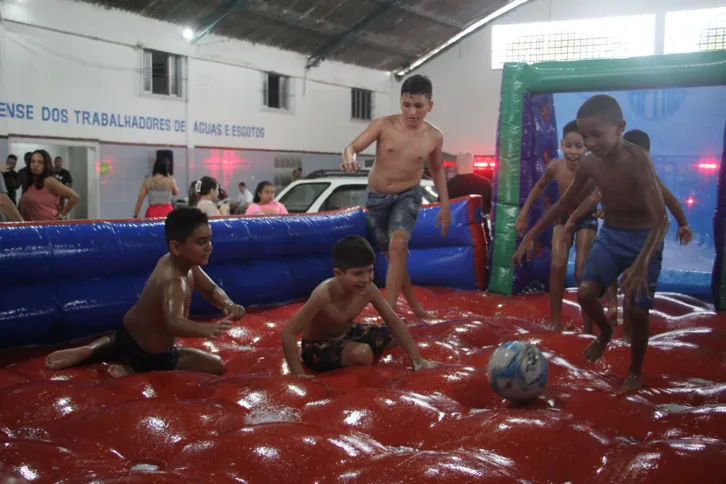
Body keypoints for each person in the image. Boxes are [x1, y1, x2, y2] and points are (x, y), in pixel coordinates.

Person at [513, 94, 670, 391]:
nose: (591, 142)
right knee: (585, 293)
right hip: (612, 235)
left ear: (620, 128)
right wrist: (533, 232)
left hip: (643, 238)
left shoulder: (638, 160)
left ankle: (635, 370)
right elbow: (564, 203)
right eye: (586, 136)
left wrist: (641, 263)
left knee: (637, 311)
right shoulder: (590, 164)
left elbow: (662, 219)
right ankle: (606, 332)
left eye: (596, 135)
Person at [45, 207, 245, 375]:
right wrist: (205, 329)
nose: (209, 247)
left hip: (124, 334)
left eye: (210, 240)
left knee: (123, 341)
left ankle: (95, 349)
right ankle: (133, 368)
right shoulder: (175, 279)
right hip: (149, 354)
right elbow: (173, 322)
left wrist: (227, 303)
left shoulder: (178, 262)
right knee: (216, 365)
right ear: (176, 246)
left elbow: (211, 290)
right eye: (201, 242)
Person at [340, 74, 451, 319]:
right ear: (400, 101)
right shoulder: (383, 125)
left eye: (419, 106)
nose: (412, 112)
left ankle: (388, 312)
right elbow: (352, 148)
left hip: (408, 194)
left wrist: (445, 204)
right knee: (395, 254)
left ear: (430, 106)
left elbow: (436, 169)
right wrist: (350, 158)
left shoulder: (434, 136)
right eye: (406, 105)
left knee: (398, 243)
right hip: (378, 197)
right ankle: (413, 304)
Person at [564, 128, 692, 340]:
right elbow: (594, 197)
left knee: (634, 293)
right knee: (616, 275)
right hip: (619, 237)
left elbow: (670, 201)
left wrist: (683, 224)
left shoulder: (649, 179)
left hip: (644, 241)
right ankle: (619, 320)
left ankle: (629, 333)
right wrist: (574, 218)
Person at [281, 235, 436, 378]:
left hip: (348, 332)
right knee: (363, 353)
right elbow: (288, 332)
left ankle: (351, 349)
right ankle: (353, 351)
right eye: (357, 273)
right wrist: (298, 374)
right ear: (339, 273)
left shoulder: (369, 288)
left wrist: (418, 360)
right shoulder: (324, 294)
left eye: (370, 271)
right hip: (317, 345)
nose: (366, 279)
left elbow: (392, 320)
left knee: (398, 332)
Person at [514, 120, 604, 332]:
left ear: (588, 147)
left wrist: (606, 207)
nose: (573, 152)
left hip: (586, 217)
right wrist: (523, 213)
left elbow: (606, 187)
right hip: (562, 216)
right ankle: (555, 323)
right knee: (557, 266)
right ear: (562, 144)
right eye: (568, 146)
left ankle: (588, 327)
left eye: (579, 147)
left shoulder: (594, 166)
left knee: (582, 270)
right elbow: (538, 187)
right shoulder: (556, 166)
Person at [19, 150, 79, 221]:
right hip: (31, 227)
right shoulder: (31, 183)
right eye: (33, 161)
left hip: (47, 227)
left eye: (40, 162)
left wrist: (61, 216)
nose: (35, 165)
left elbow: (74, 197)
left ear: (46, 165)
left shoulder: (48, 181)